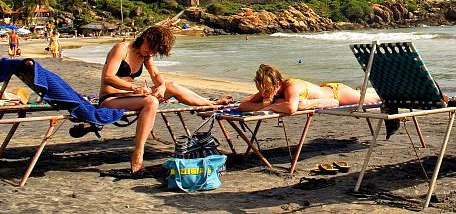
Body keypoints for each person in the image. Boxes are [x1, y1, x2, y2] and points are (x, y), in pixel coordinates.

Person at [99, 25, 233, 174]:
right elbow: (107, 77)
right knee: (151, 101)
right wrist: (134, 89)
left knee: (172, 86)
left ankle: (210, 104)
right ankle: (138, 154)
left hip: (132, 97)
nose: (150, 52)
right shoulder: (121, 49)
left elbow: (156, 75)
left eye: (154, 51)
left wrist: (161, 86)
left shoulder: (146, 56)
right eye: (150, 47)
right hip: (111, 99)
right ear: (145, 37)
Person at [239, 63, 381, 114]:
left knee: (374, 99)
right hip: (325, 93)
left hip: (337, 93)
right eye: (261, 89)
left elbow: (291, 108)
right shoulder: (267, 89)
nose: (264, 93)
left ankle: (391, 94)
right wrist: (263, 104)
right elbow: (242, 105)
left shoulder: (291, 87)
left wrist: (270, 106)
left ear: (277, 84)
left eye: (267, 90)